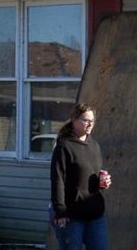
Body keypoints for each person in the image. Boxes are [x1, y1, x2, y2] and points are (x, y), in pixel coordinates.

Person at [51, 103, 112, 250]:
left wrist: (102, 181)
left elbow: (91, 175)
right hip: (71, 214)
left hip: (94, 213)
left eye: (92, 120)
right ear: (74, 120)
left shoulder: (94, 145)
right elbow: (57, 180)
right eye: (85, 120)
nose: (90, 124)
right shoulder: (64, 146)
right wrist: (60, 211)